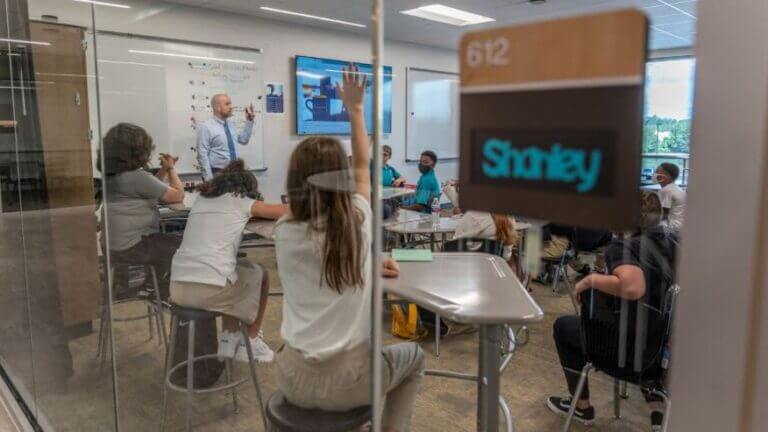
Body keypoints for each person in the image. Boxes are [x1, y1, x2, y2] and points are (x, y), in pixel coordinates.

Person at [274, 64, 425, 432]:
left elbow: (319, 257)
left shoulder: (283, 230)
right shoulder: (357, 220)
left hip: (290, 377)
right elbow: (361, 166)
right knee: (415, 357)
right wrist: (356, 110)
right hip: (348, 383)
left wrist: (368, 262)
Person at [546, 191, 676, 431]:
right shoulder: (669, 244)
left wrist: (590, 280)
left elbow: (632, 287)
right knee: (648, 321)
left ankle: (582, 407)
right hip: (661, 355)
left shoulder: (622, 248)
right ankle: (657, 405)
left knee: (564, 327)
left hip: (625, 353)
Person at [169, 160, 287, 363]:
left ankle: (229, 337)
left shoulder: (201, 200)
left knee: (235, 271)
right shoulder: (240, 200)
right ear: (246, 188)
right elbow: (285, 210)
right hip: (208, 292)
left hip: (177, 290)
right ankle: (251, 340)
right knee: (261, 275)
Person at [99, 123, 185, 298]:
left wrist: (163, 170)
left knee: (164, 243)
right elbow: (177, 195)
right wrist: (170, 168)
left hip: (111, 245)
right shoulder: (135, 176)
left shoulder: (113, 174)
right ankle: (155, 289)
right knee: (182, 248)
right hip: (131, 247)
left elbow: (150, 187)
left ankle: (149, 285)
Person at [196, 93, 256, 180]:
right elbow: (202, 155)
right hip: (217, 173)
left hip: (234, 172)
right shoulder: (206, 127)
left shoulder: (231, 125)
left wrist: (249, 121)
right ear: (218, 107)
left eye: (230, 104)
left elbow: (243, 140)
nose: (231, 107)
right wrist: (209, 180)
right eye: (227, 104)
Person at [654, 162, 686, 234]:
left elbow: (662, 215)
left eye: (657, 172)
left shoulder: (666, 190)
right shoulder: (677, 189)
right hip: (680, 227)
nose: (655, 174)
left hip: (670, 228)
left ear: (667, 175)